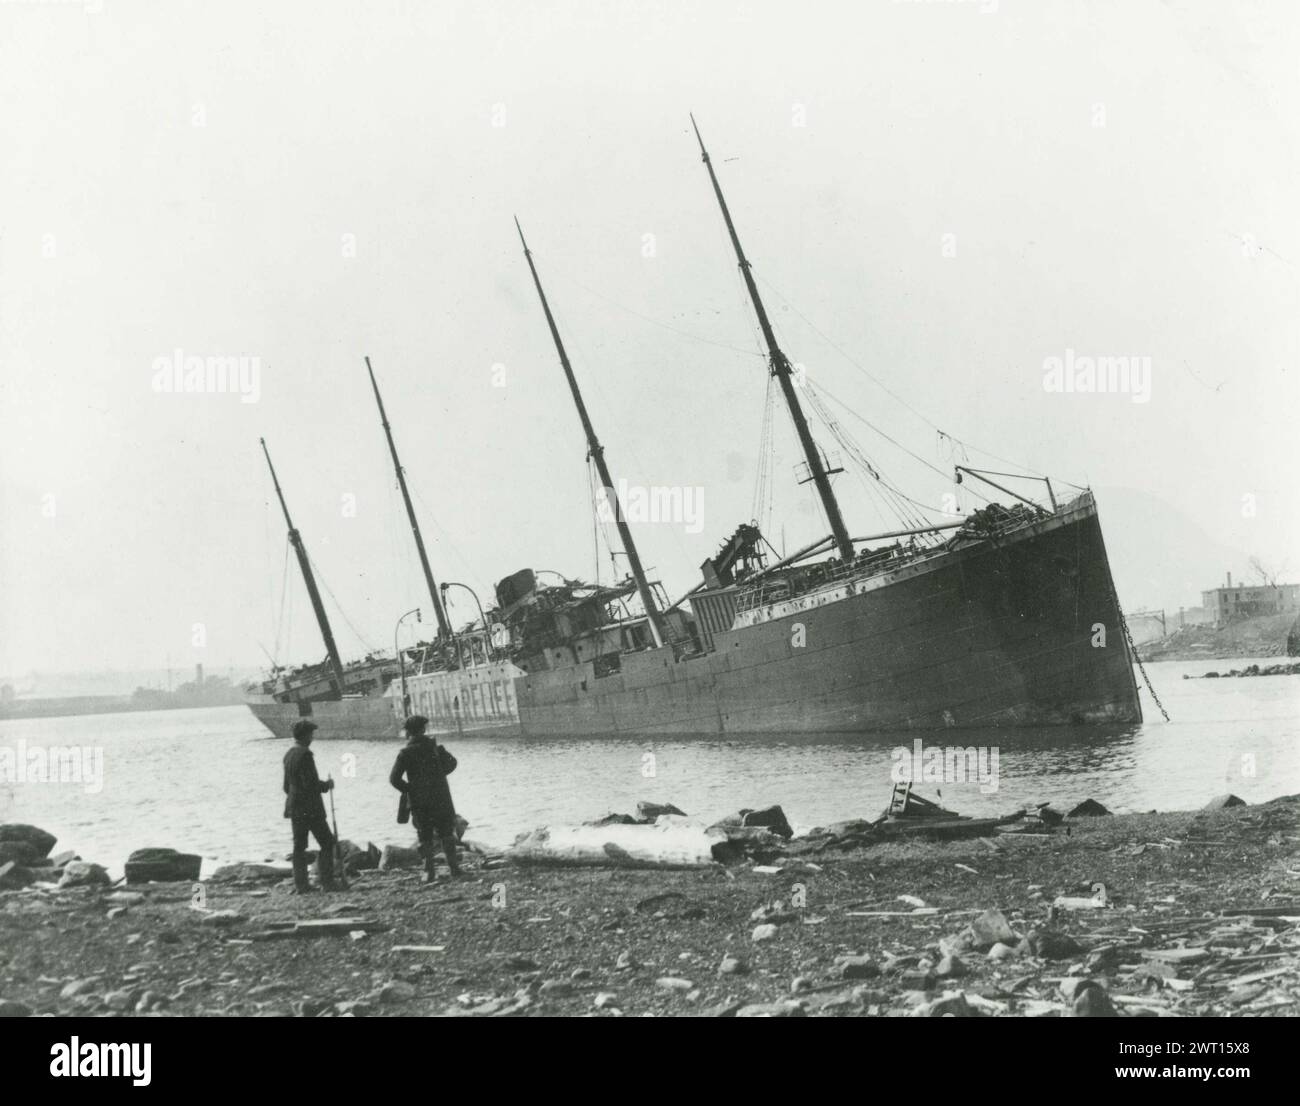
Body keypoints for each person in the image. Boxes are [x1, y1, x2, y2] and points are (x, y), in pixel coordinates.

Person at [389, 715, 460, 884]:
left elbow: (394, 779)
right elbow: (452, 763)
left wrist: (410, 789)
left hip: (420, 801)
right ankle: (454, 869)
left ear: (409, 733)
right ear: (423, 729)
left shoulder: (405, 753)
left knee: (424, 835)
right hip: (440, 797)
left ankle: (429, 871)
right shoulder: (434, 748)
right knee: (446, 833)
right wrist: (439, 775)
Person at [283, 719, 337, 893]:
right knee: (327, 842)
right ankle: (327, 882)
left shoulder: (289, 754)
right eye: (311, 734)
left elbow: (286, 786)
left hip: (294, 808)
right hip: (310, 809)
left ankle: (301, 885)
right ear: (305, 735)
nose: (312, 737)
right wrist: (326, 785)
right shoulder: (305, 755)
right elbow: (311, 784)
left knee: (299, 847)